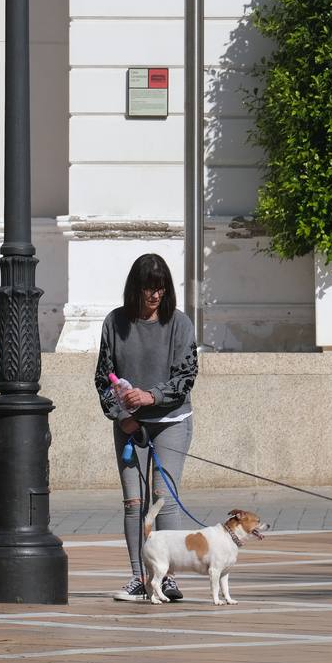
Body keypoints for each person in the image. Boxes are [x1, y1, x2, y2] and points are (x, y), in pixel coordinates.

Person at [95, 253, 199, 602]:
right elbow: (102, 377)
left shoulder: (180, 324)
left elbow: (186, 377)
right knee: (133, 503)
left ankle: (167, 578)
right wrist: (120, 414)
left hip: (171, 421)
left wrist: (150, 397)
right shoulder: (114, 323)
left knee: (163, 500)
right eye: (148, 288)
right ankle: (139, 578)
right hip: (129, 424)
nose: (155, 295)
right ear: (135, 289)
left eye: (160, 288)